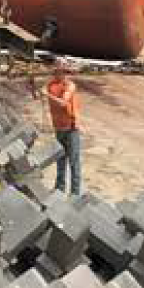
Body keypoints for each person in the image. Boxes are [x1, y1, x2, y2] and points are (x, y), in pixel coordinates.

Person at [44, 63, 84, 195]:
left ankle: (75, 193)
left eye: (63, 72)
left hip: (71, 128)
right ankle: (59, 189)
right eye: (58, 72)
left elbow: (63, 102)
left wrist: (47, 95)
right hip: (59, 128)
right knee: (60, 160)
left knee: (74, 161)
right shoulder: (50, 85)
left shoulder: (70, 86)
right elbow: (40, 96)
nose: (61, 75)